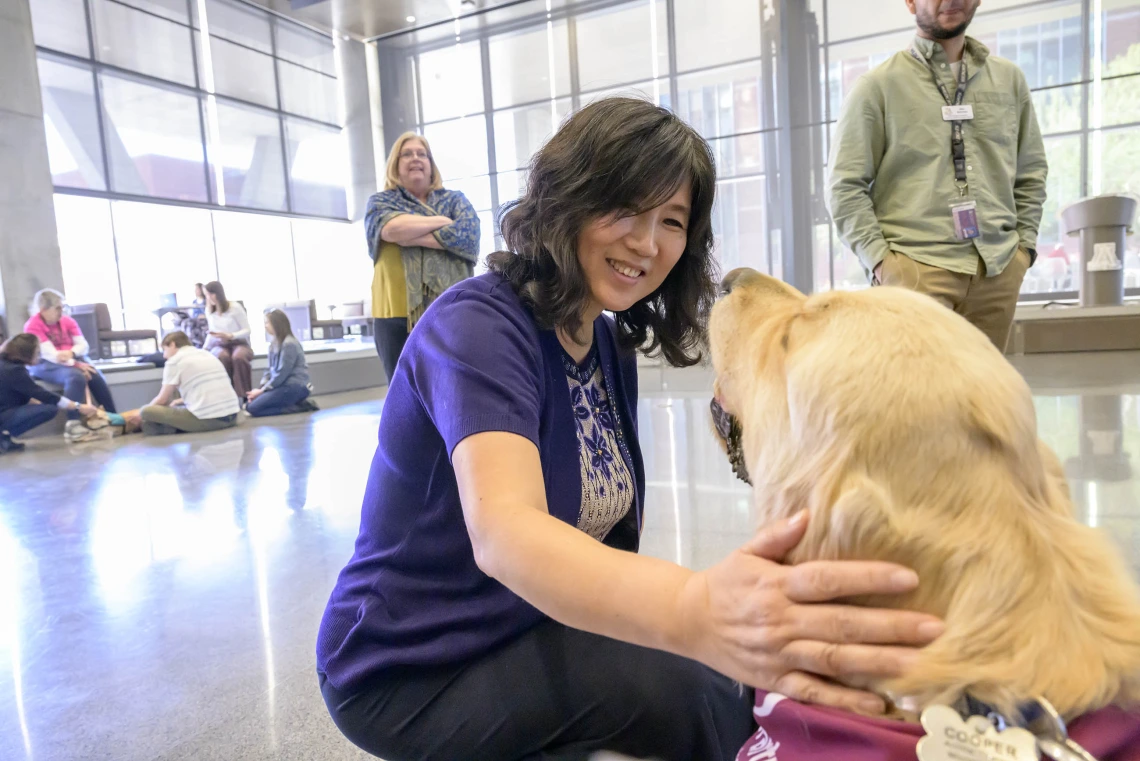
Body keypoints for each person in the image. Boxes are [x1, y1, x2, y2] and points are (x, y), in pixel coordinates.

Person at [317, 97, 944, 761]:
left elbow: (607, 545)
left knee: (721, 682)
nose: (647, 243)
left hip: (529, 623)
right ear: (567, 198)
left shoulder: (607, 343)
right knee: (682, 690)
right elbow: (506, 532)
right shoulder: (476, 324)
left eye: (671, 221)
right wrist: (696, 607)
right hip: (410, 664)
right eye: (625, 208)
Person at [827, 0, 1048, 351]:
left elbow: (1031, 173)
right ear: (910, 2)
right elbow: (844, 186)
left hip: (997, 269)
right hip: (915, 272)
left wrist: (1023, 253)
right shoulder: (878, 86)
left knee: (982, 400)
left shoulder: (1009, 81)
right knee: (911, 401)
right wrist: (884, 264)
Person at [366, 132, 480, 383]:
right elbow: (390, 230)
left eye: (422, 154)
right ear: (395, 164)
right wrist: (443, 224)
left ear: (431, 165)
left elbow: (469, 237)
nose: (415, 158)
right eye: (406, 154)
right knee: (403, 392)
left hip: (450, 312)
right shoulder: (380, 202)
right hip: (394, 314)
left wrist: (409, 235)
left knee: (454, 387)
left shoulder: (455, 200)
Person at [23, 288, 117, 426]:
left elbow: (83, 346)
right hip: (43, 363)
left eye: (62, 308)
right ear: (43, 310)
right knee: (75, 377)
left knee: (95, 374)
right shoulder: (33, 325)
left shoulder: (67, 321)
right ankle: (73, 423)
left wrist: (72, 354)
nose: (61, 312)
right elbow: (52, 355)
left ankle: (113, 416)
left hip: (72, 358)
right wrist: (77, 364)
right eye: (57, 308)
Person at [0, 333, 98, 452]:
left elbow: (16, 392)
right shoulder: (15, 370)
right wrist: (77, 406)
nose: (39, 355)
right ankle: (2, 437)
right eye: (37, 352)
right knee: (49, 409)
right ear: (26, 353)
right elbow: (42, 394)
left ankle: (4, 438)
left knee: (43, 406)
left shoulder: (5, 365)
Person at [139, 331, 240, 436]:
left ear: (172, 344)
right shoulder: (208, 354)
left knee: (145, 412)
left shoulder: (174, 361)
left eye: (165, 349)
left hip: (210, 420)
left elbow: (162, 399)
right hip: (233, 417)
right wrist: (179, 401)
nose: (164, 355)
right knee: (164, 413)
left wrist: (141, 416)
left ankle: (170, 427)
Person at [245, 309, 314, 417]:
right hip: (280, 386)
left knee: (253, 408)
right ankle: (292, 404)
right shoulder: (274, 344)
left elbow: (282, 373)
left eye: (267, 323)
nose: (265, 326)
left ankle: (300, 407)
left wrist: (262, 391)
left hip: (293, 386)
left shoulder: (289, 344)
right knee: (250, 405)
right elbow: (269, 370)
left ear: (277, 324)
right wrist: (261, 387)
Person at [201, 281, 253, 398]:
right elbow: (211, 333)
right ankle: (226, 396)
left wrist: (231, 336)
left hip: (238, 342)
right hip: (219, 344)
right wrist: (203, 350)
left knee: (238, 357)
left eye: (211, 294)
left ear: (218, 293)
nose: (209, 298)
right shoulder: (209, 311)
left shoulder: (234, 308)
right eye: (206, 295)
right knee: (221, 357)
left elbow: (247, 330)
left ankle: (244, 395)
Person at [179, 282, 210, 348]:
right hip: (195, 319)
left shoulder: (207, 301)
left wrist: (204, 315)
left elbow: (210, 312)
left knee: (190, 323)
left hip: (204, 319)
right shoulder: (194, 302)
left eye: (197, 289)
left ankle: (196, 344)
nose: (195, 291)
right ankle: (186, 343)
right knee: (184, 322)